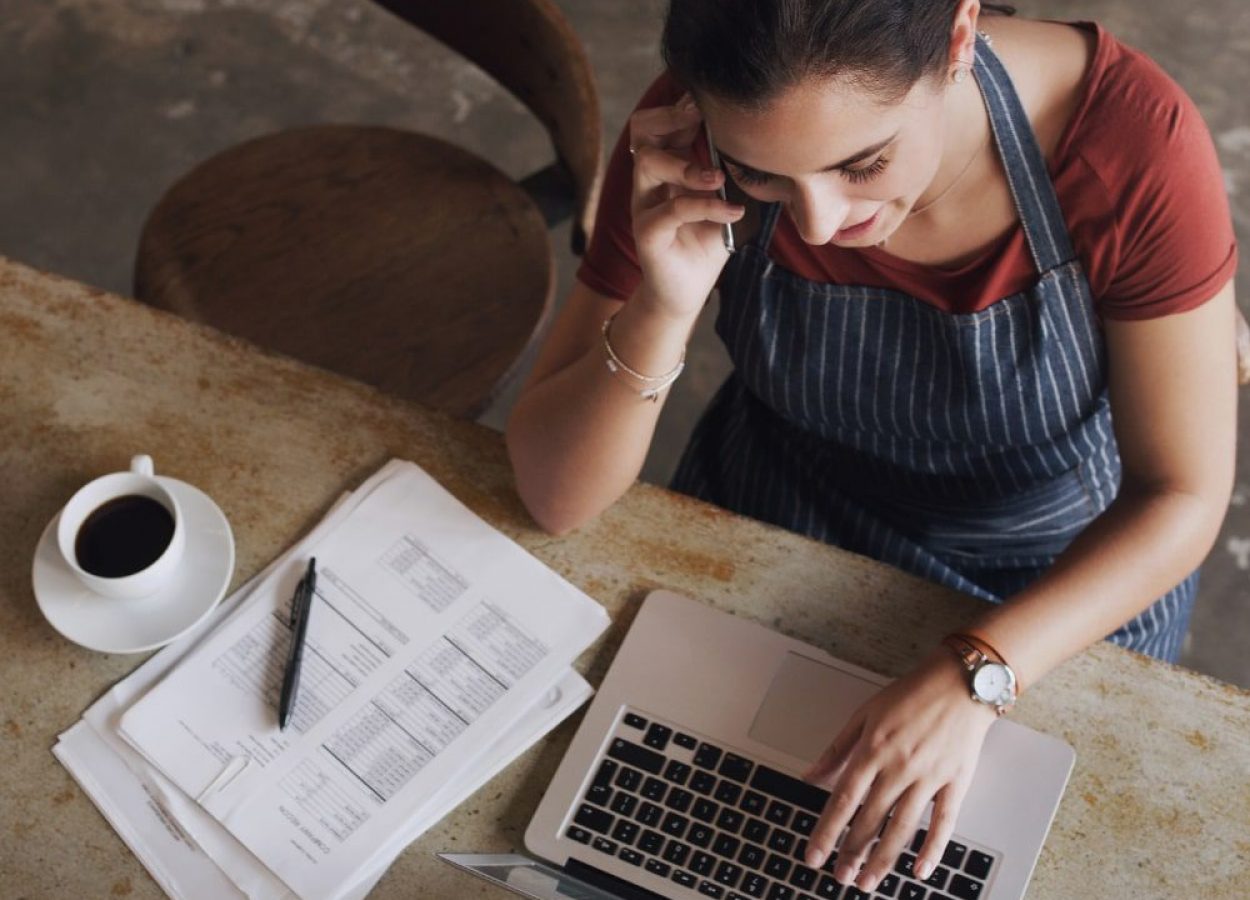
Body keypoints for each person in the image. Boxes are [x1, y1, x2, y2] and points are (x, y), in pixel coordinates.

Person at [506, 0, 1238, 892]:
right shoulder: (690, 132)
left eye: (865, 163)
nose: (818, 222)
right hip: (782, 508)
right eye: (764, 176)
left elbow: (1181, 497)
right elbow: (555, 495)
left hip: (1051, 578)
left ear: (960, 39)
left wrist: (978, 672)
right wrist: (663, 304)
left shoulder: (1129, 144)